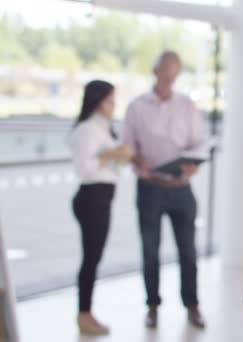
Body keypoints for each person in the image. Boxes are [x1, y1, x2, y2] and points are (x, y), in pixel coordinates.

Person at [123, 51, 206, 329]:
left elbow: (198, 143)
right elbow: (127, 146)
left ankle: (192, 305)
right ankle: (152, 307)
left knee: (188, 252)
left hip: (181, 189)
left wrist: (193, 164)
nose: (169, 76)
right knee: (150, 251)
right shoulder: (136, 107)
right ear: (154, 70)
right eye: (165, 70)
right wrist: (137, 159)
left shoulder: (187, 106)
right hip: (150, 188)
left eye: (174, 71)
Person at [70, 80, 134, 335]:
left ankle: (86, 312)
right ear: (97, 101)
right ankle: (84, 314)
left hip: (102, 197)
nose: (113, 105)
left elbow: (109, 164)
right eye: (110, 100)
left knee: (93, 257)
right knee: (91, 259)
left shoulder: (104, 128)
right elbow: (85, 169)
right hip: (91, 198)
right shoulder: (86, 130)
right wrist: (113, 154)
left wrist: (119, 156)